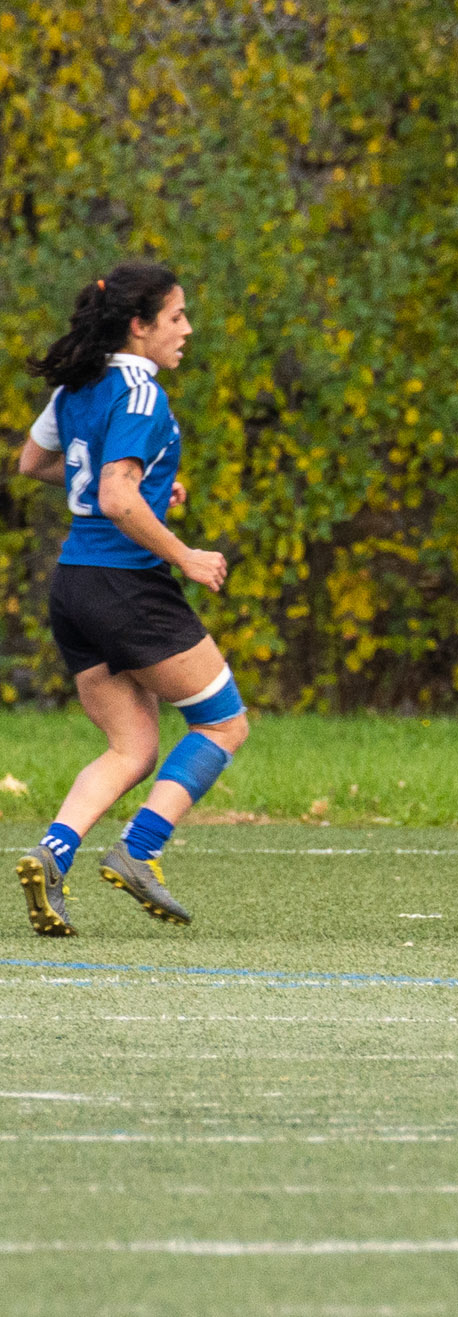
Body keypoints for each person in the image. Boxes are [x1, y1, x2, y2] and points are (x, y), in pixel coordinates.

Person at [13, 262, 248, 936]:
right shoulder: (141, 393)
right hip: (126, 584)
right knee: (224, 723)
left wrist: (141, 490)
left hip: (74, 585)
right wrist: (186, 554)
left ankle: (51, 853)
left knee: (132, 745)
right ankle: (138, 851)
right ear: (139, 326)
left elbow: (35, 463)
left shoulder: (78, 386)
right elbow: (115, 495)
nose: (187, 329)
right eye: (176, 317)